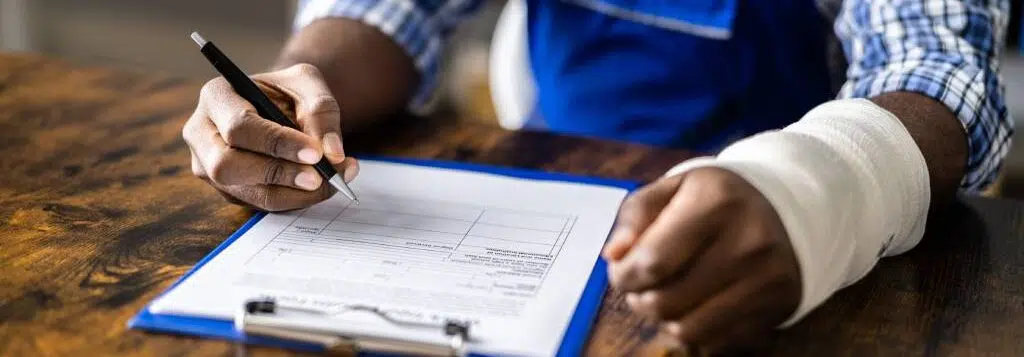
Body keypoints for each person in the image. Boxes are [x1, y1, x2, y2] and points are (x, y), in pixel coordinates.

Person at [181, 0, 1012, 353]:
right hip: (549, 216)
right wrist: (296, 86)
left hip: (779, 238)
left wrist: (816, 190)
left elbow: (945, 75)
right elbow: (391, 9)